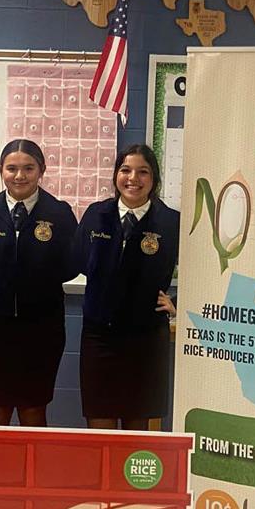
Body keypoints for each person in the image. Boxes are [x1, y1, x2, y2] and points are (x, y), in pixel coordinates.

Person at [0, 140, 78, 427]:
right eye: (11, 168)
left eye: (28, 168)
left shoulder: (59, 213)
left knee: (33, 410)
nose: (19, 176)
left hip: (42, 330)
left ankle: (32, 473)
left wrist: (38, 282)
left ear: (42, 171)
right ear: (0, 171)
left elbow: (74, 262)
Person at [73, 144, 179, 430]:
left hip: (145, 339)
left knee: (137, 426)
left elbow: (202, 271)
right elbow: (78, 260)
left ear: (154, 178)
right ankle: (102, 477)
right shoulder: (97, 214)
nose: (133, 178)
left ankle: (127, 478)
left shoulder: (171, 222)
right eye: (126, 170)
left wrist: (178, 302)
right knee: (100, 422)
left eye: (143, 172)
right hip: (99, 337)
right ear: (116, 175)